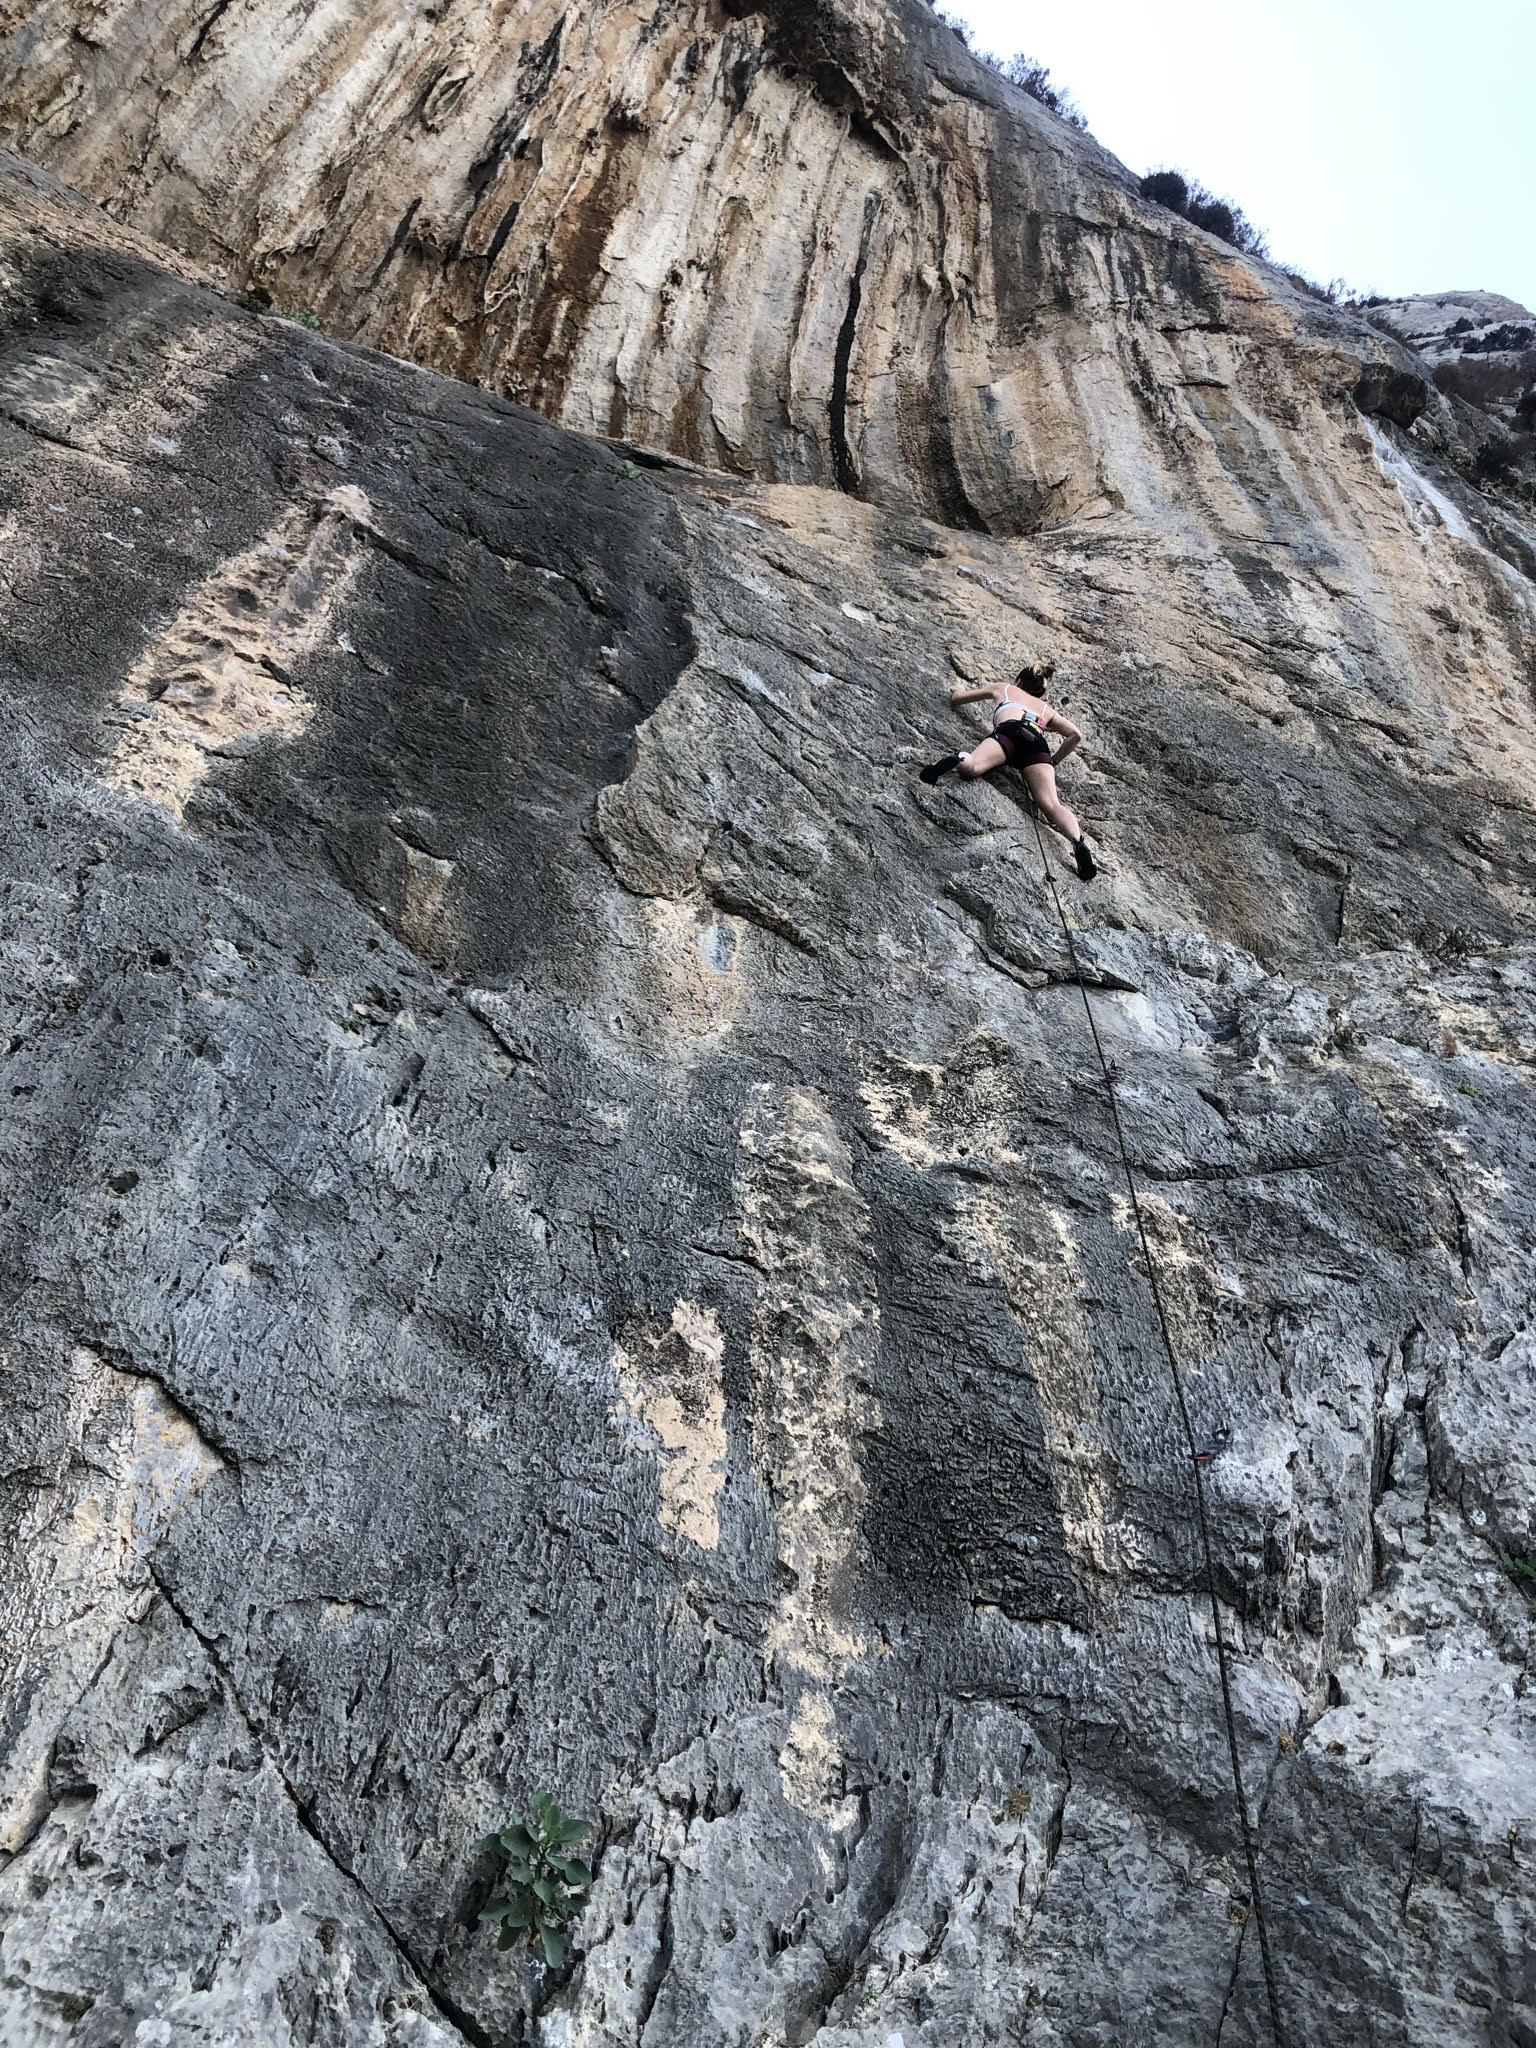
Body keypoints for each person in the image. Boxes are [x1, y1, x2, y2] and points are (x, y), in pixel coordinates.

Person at [920, 660, 1098, 879]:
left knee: (972, 767)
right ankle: (1079, 843)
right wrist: (1053, 761)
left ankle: (959, 759)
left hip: (1009, 733)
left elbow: (958, 699)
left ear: (1018, 680)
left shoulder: (1004, 688)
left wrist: (957, 689)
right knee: (1051, 805)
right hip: (1036, 744)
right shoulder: (1045, 709)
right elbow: (1075, 735)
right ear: (1039, 691)